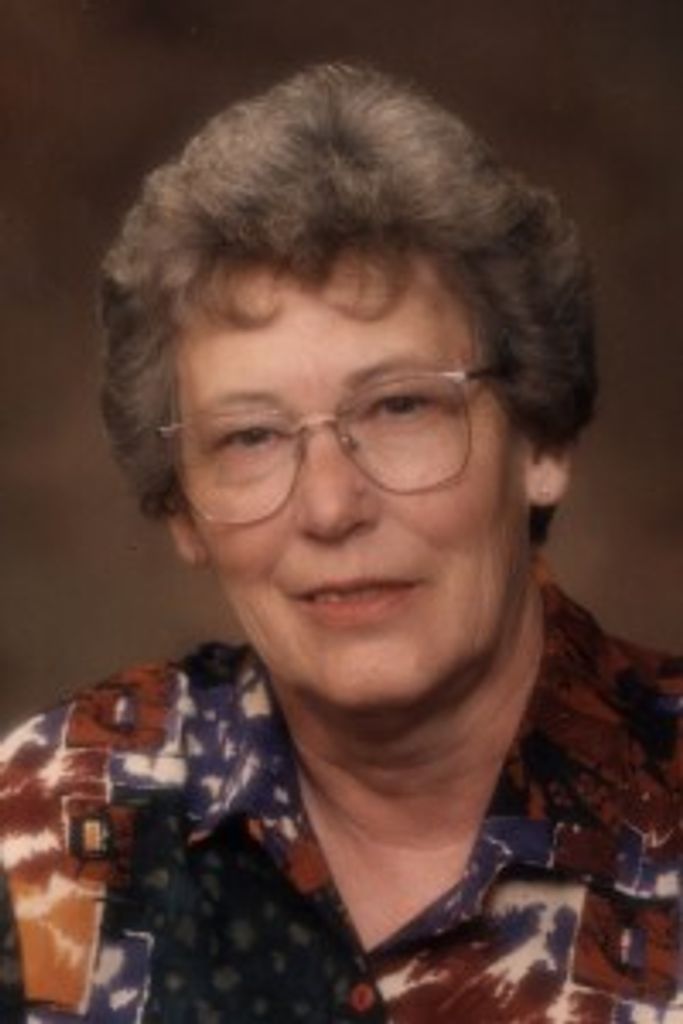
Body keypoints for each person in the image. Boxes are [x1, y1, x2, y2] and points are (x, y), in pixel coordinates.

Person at [0, 63, 680, 1024]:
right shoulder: (44, 818)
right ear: (182, 508)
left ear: (542, 442)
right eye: (251, 436)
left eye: (399, 407)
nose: (329, 507)